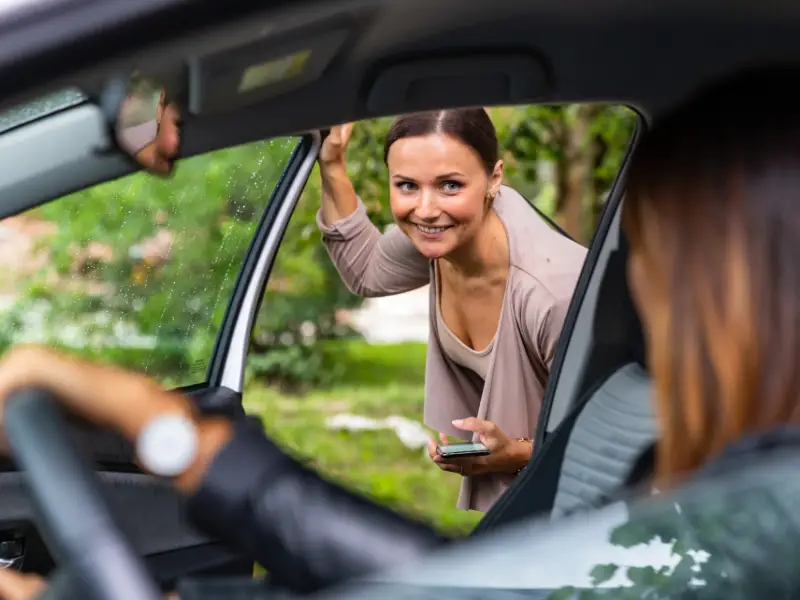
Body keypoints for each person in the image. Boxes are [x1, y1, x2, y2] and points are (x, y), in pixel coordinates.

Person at [1, 65, 799, 598]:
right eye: (407, 187)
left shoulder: (766, 520)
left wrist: (172, 436)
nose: (634, 285)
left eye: (657, 255)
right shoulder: (731, 492)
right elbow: (466, 584)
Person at [317, 109, 587, 511]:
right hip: (533, 507)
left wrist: (514, 453)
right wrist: (332, 164)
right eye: (407, 185)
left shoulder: (553, 296)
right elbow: (367, 272)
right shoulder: (443, 237)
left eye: (450, 185)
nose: (425, 209)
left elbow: (618, 434)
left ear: (494, 178)